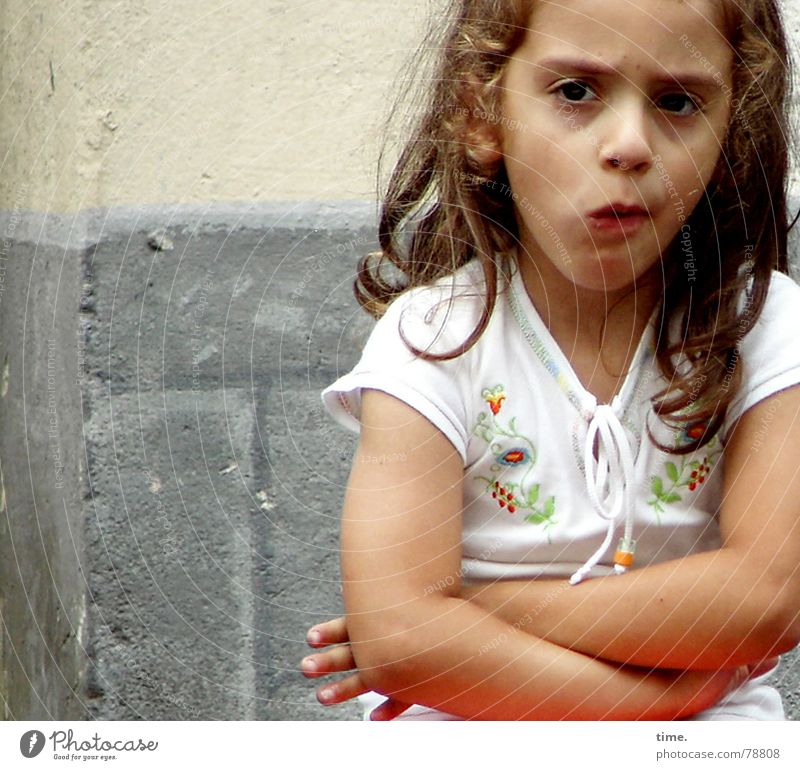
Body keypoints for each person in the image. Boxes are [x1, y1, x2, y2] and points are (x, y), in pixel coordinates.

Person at [300, 0, 800, 720]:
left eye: (679, 101)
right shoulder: (435, 339)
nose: (629, 144)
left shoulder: (764, 327)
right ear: (483, 114)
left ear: (732, 135)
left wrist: (476, 609)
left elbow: (768, 599)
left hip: (708, 737)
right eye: (576, 91)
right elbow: (405, 643)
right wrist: (663, 698)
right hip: (484, 726)